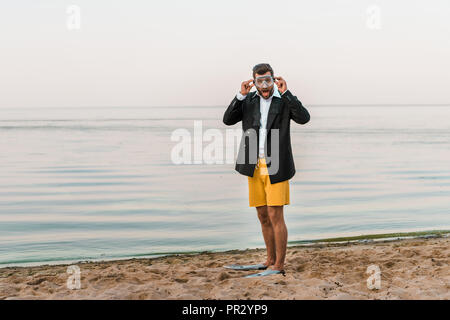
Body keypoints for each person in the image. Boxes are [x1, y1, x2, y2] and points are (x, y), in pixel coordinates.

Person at [223, 63, 310, 277]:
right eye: (260, 81)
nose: (264, 85)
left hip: (277, 164)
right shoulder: (248, 101)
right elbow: (227, 120)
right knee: (262, 215)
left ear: (273, 80)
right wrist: (240, 96)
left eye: (268, 80)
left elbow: (304, 118)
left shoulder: (283, 102)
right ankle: (269, 260)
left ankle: (278, 265)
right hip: (253, 164)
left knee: (275, 214)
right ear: (254, 82)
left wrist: (286, 92)